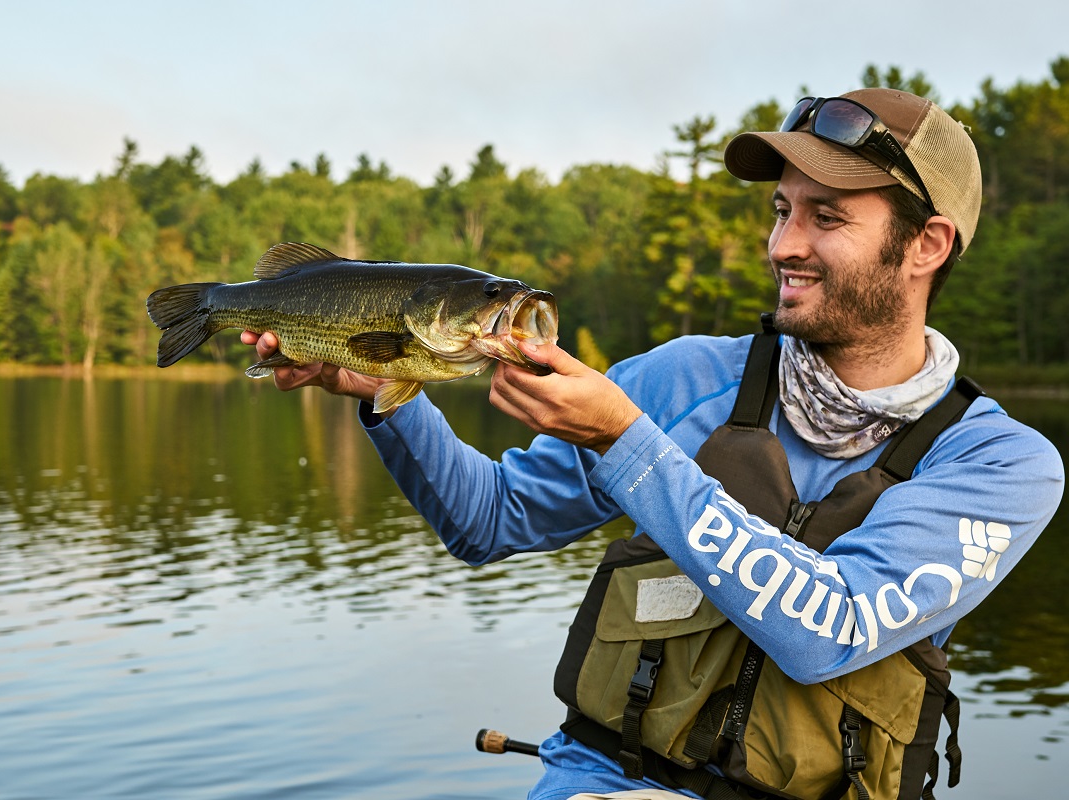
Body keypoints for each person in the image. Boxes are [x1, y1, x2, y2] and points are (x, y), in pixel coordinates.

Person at [241, 88, 1064, 799]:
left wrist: (623, 439)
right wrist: (390, 398)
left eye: (827, 217)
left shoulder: (1000, 465)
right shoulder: (681, 380)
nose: (783, 245)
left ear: (928, 245)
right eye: (782, 210)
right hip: (608, 781)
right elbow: (487, 522)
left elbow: (833, 628)